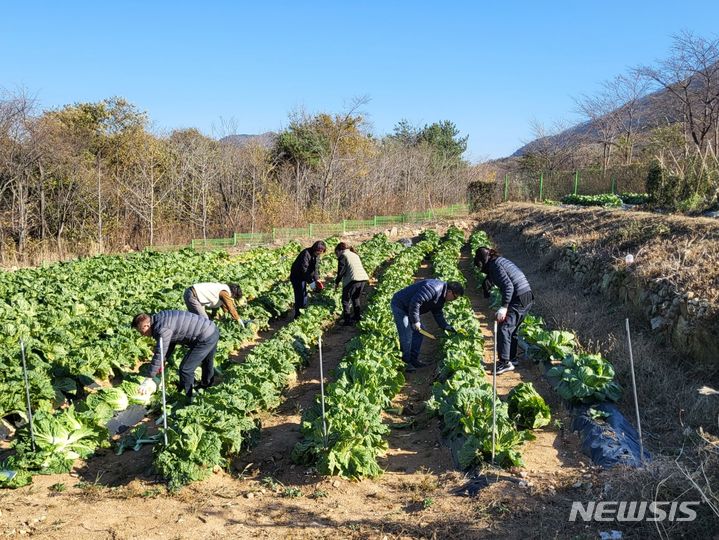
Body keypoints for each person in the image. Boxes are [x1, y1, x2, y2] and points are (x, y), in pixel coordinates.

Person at [132, 310, 220, 398]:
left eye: (141, 331)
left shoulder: (162, 329)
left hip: (204, 336)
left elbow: (159, 353)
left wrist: (148, 379)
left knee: (185, 369)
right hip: (211, 329)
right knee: (207, 361)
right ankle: (206, 386)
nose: (142, 335)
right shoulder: (159, 318)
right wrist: (164, 359)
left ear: (146, 326)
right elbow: (171, 341)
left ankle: (189, 397)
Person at [474, 246, 534, 375]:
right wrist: (487, 282)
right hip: (527, 295)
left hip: (518, 297)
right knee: (512, 329)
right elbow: (501, 276)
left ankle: (505, 362)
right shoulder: (499, 260)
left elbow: (508, 286)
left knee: (504, 328)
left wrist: (504, 307)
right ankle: (512, 358)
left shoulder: (495, 266)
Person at [390, 279, 464, 371]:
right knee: (407, 335)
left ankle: (413, 360)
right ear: (449, 292)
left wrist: (445, 326)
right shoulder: (433, 289)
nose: (453, 300)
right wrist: (416, 321)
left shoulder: (442, 296)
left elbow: (437, 312)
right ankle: (405, 363)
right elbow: (415, 302)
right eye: (455, 297)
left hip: (410, 308)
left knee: (420, 332)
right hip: (400, 305)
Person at [333, 242, 369, 325]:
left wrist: (336, 282)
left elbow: (341, 272)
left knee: (345, 300)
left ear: (339, 251)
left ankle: (347, 321)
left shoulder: (343, 256)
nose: (337, 256)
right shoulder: (354, 254)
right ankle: (357, 317)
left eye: (336, 253)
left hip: (353, 279)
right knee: (355, 298)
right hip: (363, 278)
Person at [289, 240, 326, 318]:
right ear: (315, 249)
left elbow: (315, 268)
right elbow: (304, 270)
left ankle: (303, 312)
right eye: (319, 252)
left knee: (304, 294)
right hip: (297, 276)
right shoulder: (306, 253)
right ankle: (298, 315)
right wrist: (311, 283)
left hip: (304, 275)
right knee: (299, 295)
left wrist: (317, 279)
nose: (319, 254)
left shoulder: (317, 255)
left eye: (321, 252)